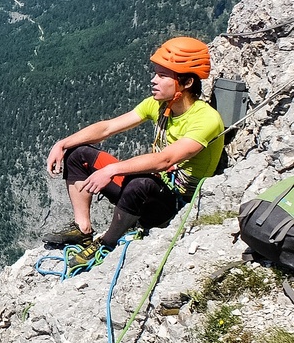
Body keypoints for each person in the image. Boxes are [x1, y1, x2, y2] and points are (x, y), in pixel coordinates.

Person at [43, 36, 225, 273]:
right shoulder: (159, 105)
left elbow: (165, 160)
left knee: (140, 183)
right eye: (155, 73)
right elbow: (107, 128)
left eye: (162, 75)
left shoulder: (206, 120)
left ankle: (106, 245)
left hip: (175, 203)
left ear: (187, 82)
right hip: (154, 188)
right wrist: (63, 144)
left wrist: (111, 169)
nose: (153, 80)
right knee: (79, 155)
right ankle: (82, 229)